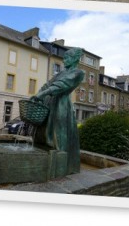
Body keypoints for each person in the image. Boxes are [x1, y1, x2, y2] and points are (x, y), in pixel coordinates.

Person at [30, 47, 85, 176]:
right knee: (42, 131)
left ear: (75, 59)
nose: (64, 60)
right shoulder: (60, 73)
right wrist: (38, 95)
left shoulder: (78, 73)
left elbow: (62, 85)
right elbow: (48, 84)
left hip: (61, 104)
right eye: (64, 58)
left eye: (67, 58)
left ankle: (63, 165)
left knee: (59, 133)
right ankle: (47, 160)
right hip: (50, 102)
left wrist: (44, 94)